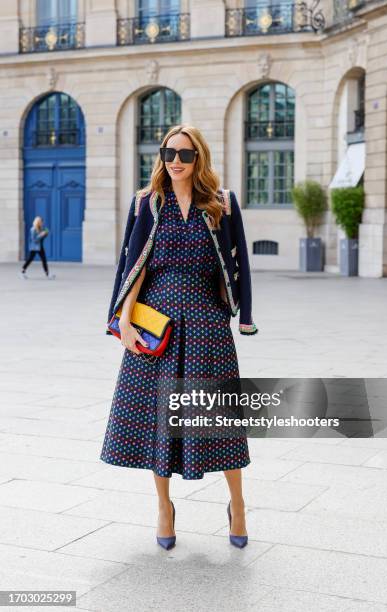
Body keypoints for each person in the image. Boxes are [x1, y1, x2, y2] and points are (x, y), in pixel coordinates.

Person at [100, 124, 258, 550]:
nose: (175, 162)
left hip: (207, 324)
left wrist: (243, 314)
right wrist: (125, 322)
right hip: (156, 327)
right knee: (158, 419)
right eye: (169, 153)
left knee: (219, 419)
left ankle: (238, 505)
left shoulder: (222, 203)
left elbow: (239, 255)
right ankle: (164, 508)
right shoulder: (147, 202)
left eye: (185, 155)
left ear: (199, 158)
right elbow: (134, 264)